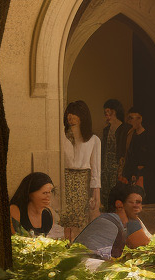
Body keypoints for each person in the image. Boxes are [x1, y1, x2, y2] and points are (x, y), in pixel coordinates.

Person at [74, 183, 152, 259]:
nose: (139, 208)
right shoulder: (119, 223)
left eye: (140, 204)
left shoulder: (109, 220)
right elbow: (145, 247)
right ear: (119, 204)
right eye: (135, 203)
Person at [59, 100, 101, 240]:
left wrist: (96, 194)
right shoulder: (62, 136)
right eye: (69, 115)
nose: (71, 118)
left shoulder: (93, 140)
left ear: (82, 116)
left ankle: (77, 247)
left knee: (80, 218)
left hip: (83, 180)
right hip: (64, 178)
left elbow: (96, 169)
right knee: (64, 218)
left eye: (74, 115)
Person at [9, 172, 54, 237]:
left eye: (50, 192)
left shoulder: (48, 213)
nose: (49, 196)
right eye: (45, 193)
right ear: (30, 194)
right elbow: (17, 239)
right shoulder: (15, 210)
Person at [120, 107, 151, 190]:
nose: (129, 121)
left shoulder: (147, 136)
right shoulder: (130, 135)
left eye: (131, 118)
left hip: (142, 175)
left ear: (140, 119)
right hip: (131, 173)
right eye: (128, 118)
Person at [101, 99, 126, 201]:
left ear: (114, 111)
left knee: (117, 194)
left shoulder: (124, 128)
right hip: (106, 167)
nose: (106, 114)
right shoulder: (106, 130)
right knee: (106, 193)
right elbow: (103, 149)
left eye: (108, 111)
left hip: (118, 167)